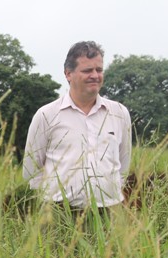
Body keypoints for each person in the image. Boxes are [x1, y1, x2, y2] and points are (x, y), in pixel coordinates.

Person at [22, 41, 132, 219]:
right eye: (87, 71)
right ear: (68, 74)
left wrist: (110, 192)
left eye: (99, 70)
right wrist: (50, 200)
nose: (95, 75)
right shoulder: (47, 115)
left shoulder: (119, 113)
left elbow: (124, 165)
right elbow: (31, 170)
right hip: (59, 213)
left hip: (109, 212)